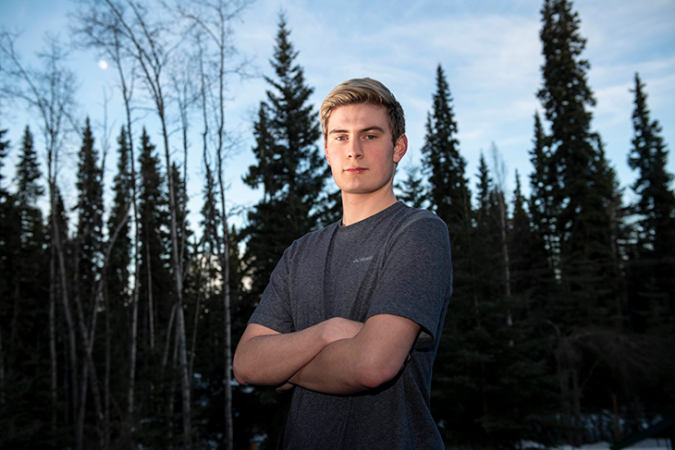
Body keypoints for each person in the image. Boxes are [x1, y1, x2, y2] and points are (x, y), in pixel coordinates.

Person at [233, 78, 452, 449]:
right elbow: (246, 364)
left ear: (398, 147)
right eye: (340, 136)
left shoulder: (419, 232)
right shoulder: (299, 253)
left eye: (370, 135)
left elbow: (372, 366)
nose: (353, 150)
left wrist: (286, 368)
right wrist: (327, 332)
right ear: (326, 150)